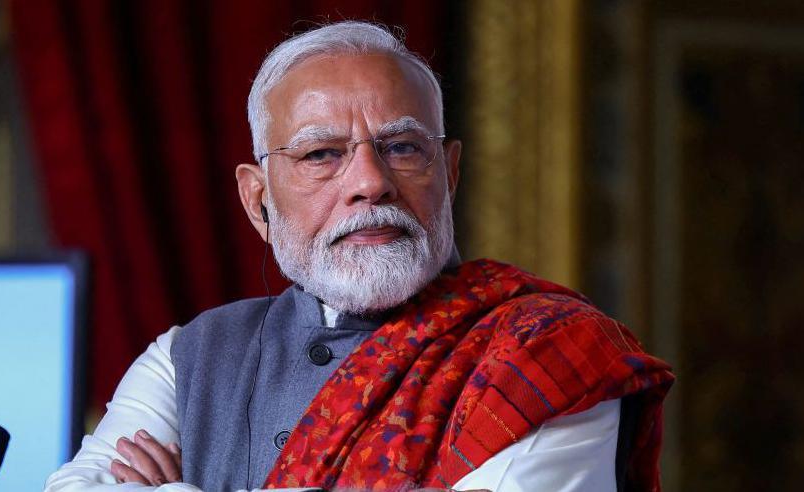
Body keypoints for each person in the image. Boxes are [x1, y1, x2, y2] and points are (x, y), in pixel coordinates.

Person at [44, 21, 673, 492]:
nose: (370, 181)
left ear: (448, 173)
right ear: (257, 198)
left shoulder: (547, 355)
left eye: (402, 147)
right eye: (321, 155)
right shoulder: (189, 357)